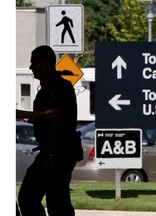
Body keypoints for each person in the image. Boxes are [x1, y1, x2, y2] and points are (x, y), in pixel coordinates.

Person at [17, 45, 83, 216]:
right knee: (54, 200)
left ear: (46, 63)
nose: (31, 67)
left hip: (57, 153)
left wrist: (51, 156)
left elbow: (58, 124)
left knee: (37, 199)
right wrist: (39, 116)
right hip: (54, 152)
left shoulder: (56, 89)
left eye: (34, 62)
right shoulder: (49, 87)